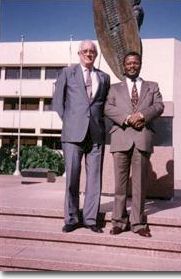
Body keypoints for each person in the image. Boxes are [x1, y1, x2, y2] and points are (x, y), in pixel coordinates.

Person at [53, 40, 110, 233]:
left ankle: (91, 219)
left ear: (96, 54)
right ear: (79, 53)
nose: (88, 54)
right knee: (73, 178)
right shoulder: (67, 73)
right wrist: (70, 121)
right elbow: (58, 102)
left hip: (96, 135)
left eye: (92, 51)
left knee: (94, 179)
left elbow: (104, 106)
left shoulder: (104, 77)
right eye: (85, 51)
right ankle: (71, 218)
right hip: (73, 134)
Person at [104, 51, 164, 237]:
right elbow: (107, 107)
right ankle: (118, 222)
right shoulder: (114, 88)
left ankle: (138, 223)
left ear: (140, 64)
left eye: (135, 63)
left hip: (142, 137)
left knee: (139, 184)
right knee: (120, 185)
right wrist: (128, 118)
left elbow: (159, 106)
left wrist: (142, 115)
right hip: (121, 137)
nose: (132, 66)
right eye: (128, 63)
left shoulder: (152, 86)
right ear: (124, 66)